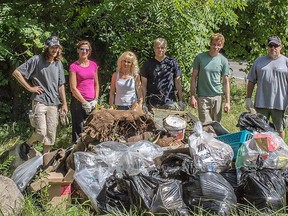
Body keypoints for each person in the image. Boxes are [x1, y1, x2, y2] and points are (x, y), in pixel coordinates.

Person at [12, 36, 68, 160]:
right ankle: (27, 145)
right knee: (41, 132)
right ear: (47, 47)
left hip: (54, 103)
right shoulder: (37, 60)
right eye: (52, 47)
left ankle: (44, 162)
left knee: (50, 136)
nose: (55, 49)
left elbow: (61, 85)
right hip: (40, 101)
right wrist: (30, 88)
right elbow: (17, 73)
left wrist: (64, 104)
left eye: (57, 47)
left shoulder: (59, 63)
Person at [245, 36, 288, 139]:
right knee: (260, 129)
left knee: (280, 129)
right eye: (270, 46)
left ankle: (280, 151)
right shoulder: (259, 61)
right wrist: (248, 98)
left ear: (280, 47)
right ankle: (262, 152)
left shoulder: (286, 62)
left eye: (275, 46)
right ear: (267, 47)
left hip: (280, 104)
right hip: (261, 103)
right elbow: (251, 80)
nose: (273, 48)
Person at [190, 33, 230, 124]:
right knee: (205, 125)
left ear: (222, 45)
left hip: (217, 96)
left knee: (216, 125)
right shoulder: (200, 57)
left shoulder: (223, 60)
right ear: (210, 44)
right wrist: (192, 96)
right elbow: (193, 77)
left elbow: (226, 81)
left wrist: (228, 102)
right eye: (214, 44)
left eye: (219, 45)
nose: (216, 47)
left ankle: (215, 139)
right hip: (203, 96)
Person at [140, 38, 184, 111]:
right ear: (154, 49)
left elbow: (178, 82)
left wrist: (180, 100)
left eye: (162, 48)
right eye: (158, 48)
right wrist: (143, 102)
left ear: (166, 49)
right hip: (152, 104)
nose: (160, 50)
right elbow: (143, 86)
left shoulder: (173, 63)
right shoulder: (147, 64)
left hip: (170, 103)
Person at [69, 40, 99, 143]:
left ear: (89, 51)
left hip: (92, 101)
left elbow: (96, 84)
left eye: (87, 49)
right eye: (82, 49)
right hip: (78, 102)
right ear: (78, 50)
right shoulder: (74, 66)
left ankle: (89, 151)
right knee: (79, 129)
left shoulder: (93, 65)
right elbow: (73, 87)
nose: (84, 51)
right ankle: (77, 153)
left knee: (92, 128)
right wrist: (84, 102)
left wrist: (96, 99)